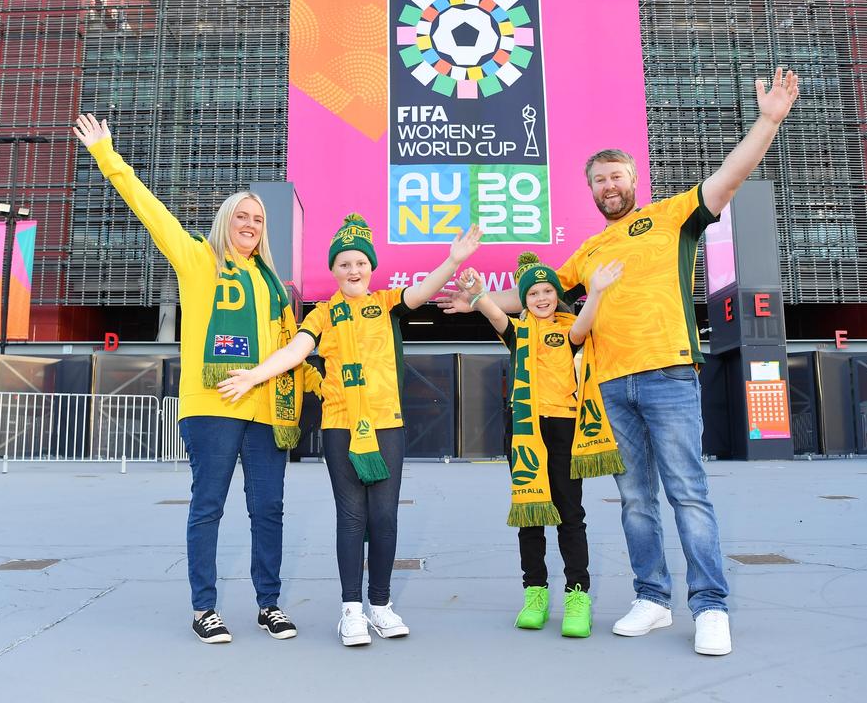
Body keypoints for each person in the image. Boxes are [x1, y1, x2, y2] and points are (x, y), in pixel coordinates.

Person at [437, 68, 800, 655]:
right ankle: (652, 599)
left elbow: (730, 178)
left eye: (617, 176)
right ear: (592, 190)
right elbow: (538, 294)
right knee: (634, 499)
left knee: (687, 491)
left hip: (669, 373)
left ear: (634, 179)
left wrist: (768, 120)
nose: (609, 185)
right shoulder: (589, 250)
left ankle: (709, 606)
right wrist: (474, 300)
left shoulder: (674, 215)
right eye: (599, 180)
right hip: (608, 388)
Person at [73, 113, 316, 645]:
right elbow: (150, 209)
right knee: (209, 507)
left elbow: (291, 346)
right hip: (211, 407)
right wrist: (107, 155)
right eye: (242, 216)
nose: (250, 224)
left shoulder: (273, 282)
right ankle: (204, 607)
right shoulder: (197, 260)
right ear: (226, 219)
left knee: (268, 509)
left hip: (264, 410)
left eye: (258, 219)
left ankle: (268, 604)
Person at [218, 214, 482, 646]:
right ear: (333, 270)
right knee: (352, 516)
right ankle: (351, 610)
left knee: (384, 517)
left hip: (386, 425)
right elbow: (297, 350)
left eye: (360, 262)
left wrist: (452, 261)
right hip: (341, 425)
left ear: (371, 267)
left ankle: (381, 605)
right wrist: (253, 375)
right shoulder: (323, 315)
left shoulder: (388, 303)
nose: (353, 270)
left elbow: (423, 291)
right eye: (344, 264)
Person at [458, 253, 622, 638]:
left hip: (565, 429)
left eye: (548, 290)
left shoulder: (568, 329)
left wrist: (596, 291)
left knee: (569, 514)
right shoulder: (518, 332)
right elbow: (495, 315)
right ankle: (535, 594)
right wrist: (479, 294)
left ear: (557, 294)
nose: (542, 297)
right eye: (533, 292)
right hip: (525, 430)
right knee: (530, 514)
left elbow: (584, 324)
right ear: (524, 298)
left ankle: (577, 596)